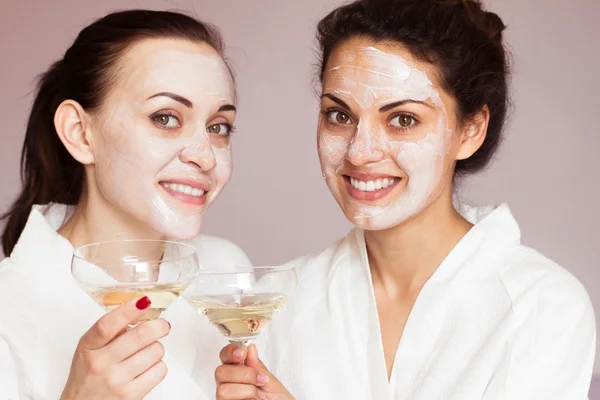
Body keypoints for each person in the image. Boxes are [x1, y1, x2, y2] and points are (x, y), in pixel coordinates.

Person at [213, 0, 596, 399]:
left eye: (403, 120)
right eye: (340, 116)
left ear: (470, 131)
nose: (359, 153)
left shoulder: (542, 306)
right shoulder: (278, 301)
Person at [0, 9, 250, 400]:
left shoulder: (226, 271)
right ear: (80, 133)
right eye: (165, 118)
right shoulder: (9, 309)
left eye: (218, 127)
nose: (205, 156)